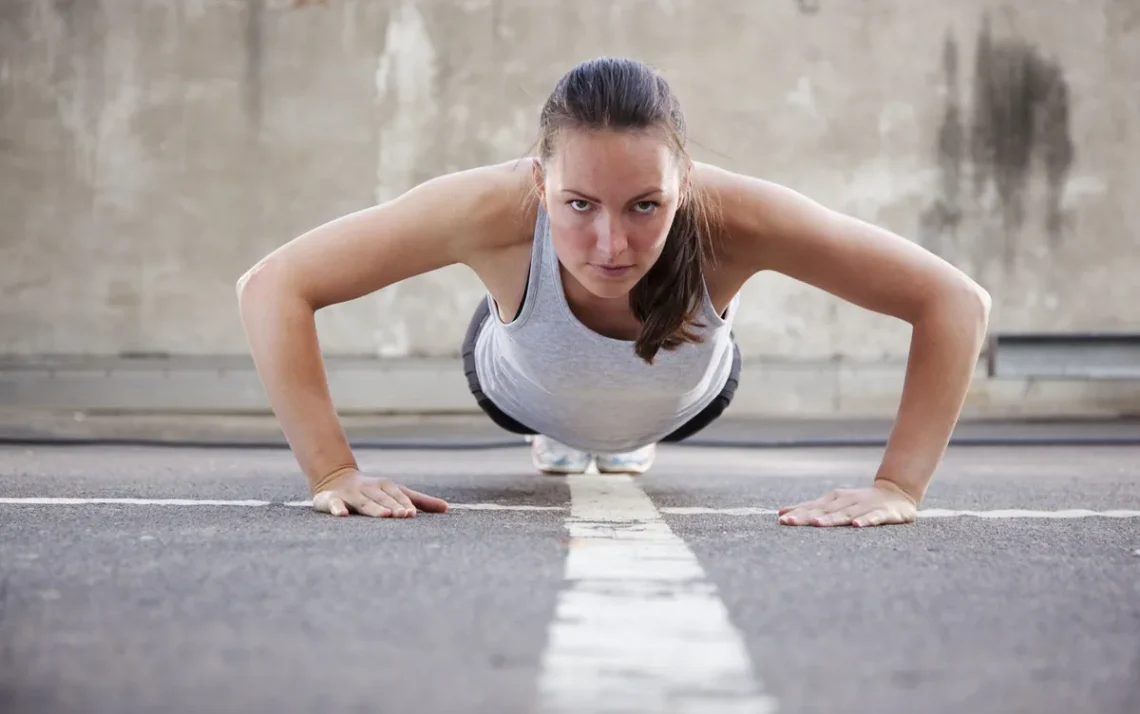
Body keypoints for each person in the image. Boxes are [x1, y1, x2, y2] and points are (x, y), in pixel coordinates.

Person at [236, 56, 991, 528]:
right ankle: (568, 432)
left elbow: (954, 302)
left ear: (684, 182)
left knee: (656, 368)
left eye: (644, 206)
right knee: (546, 359)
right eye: (577, 205)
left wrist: (898, 486)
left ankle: (615, 437)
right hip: (519, 384)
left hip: (685, 391)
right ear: (539, 182)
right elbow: (274, 286)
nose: (611, 245)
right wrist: (333, 472)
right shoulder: (487, 208)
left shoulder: (738, 218)